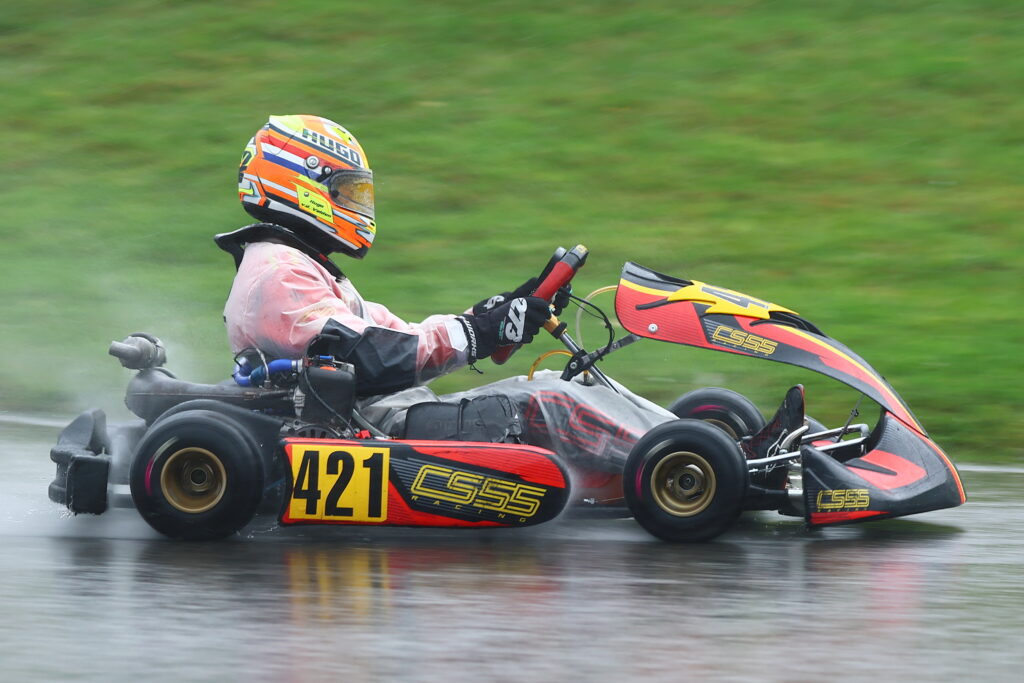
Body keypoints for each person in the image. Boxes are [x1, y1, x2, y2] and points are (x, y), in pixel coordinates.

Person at [217, 114, 671, 476]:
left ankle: (692, 441)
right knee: (553, 401)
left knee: (567, 383)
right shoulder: (278, 275)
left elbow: (397, 335)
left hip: (383, 417)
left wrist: (495, 312)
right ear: (300, 184)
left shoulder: (298, 267)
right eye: (345, 191)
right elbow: (376, 357)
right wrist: (480, 333)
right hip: (367, 434)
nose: (357, 203)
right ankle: (683, 461)